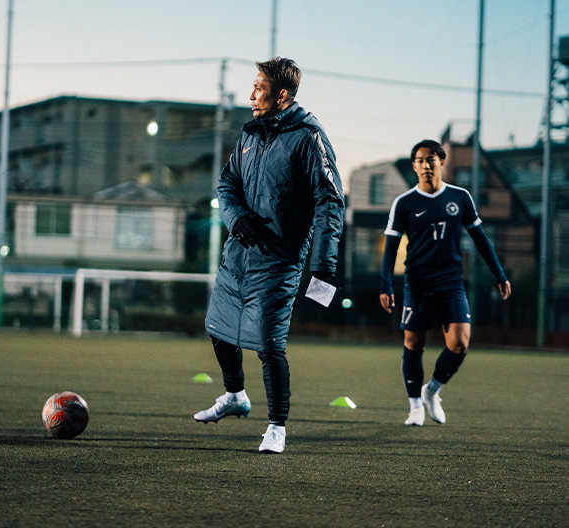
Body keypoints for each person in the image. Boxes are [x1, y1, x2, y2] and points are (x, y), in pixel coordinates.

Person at [194, 57, 345, 453]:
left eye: (258, 88)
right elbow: (227, 183)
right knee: (217, 327)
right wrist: (237, 217)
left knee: (268, 344)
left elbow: (330, 201)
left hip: (279, 261)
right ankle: (235, 396)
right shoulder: (250, 133)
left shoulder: (308, 137)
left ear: (281, 96)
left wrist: (323, 265)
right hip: (238, 256)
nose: (251, 94)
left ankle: (277, 426)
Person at [379, 139, 511, 426]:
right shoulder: (404, 203)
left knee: (460, 343)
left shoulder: (460, 197)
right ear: (414, 166)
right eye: (420, 160)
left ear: (441, 161)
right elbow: (391, 247)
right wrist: (385, 285)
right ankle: (415, 407)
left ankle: (431, 391)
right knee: (413, 343)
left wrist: (499, 274)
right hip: (418, 283)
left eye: (431, 159)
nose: (426, 164)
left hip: (451, 281)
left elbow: (480, 238)